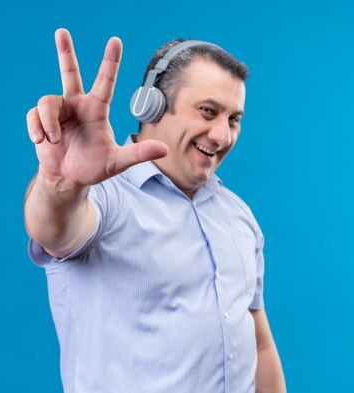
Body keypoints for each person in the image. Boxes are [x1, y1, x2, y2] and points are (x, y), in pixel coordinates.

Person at [24, 28, 287, 393]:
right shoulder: (105, 200)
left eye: (233, 119)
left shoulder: (238, 216)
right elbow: (51, 229)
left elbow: (259, 342)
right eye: (208, 111)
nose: (223, 136)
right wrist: (60, 181)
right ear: (151, 105)